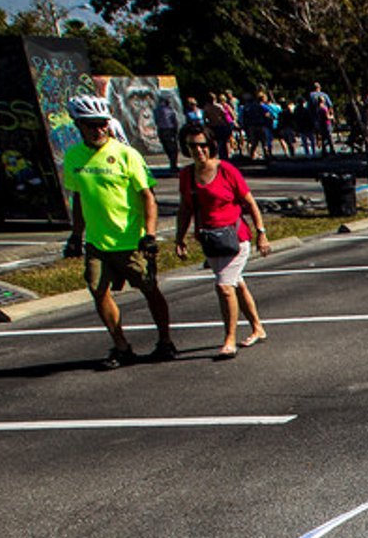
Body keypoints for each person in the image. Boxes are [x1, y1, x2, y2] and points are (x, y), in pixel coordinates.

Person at [60, 95, 174, 369]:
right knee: (98, 290)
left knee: (150, 290)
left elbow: (148, 196)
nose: (99, 130)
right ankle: (121, 345)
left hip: (130, 240)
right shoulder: (73, 156)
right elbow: (77, 199)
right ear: (79, 126)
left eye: (103, 124)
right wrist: (76, 236)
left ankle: (165, 340)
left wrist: (149, 233)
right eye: (91, 126)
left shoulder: (126, 154)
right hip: (98, 242)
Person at [171, 123, 270, 358]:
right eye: (193, 146)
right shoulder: (186, 175)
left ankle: (229, 339)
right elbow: (185, 209)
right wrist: (180, 237)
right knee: (236, 283)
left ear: (211, 145)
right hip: (211, 240)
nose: (199, 150)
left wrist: (261, 232)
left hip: (236, 238)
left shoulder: (226, 170)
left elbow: (250, 203)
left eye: (203, 145)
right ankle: (257, 327)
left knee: (224, 287)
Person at [153, 93, 182, 169]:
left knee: (166, 147)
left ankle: (172, 162)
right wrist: (176, 130)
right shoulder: (169, 110)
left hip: (161, 130)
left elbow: (156, 121)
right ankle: (173, 165)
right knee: (173, 148)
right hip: (169, 130)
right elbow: (174, 120)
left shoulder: (156, 110)